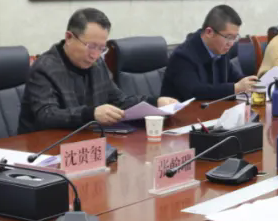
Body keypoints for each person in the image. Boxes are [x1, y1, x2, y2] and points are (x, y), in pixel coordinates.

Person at [18, 8, 177, 133]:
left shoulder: (97, 64)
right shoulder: (44, 68)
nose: (94, 55)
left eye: (101, 48)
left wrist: (154, 102)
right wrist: (91, 114)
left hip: (84, 143)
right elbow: (47, 116)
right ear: (69, 37)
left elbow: (118, 101)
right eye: (91, 46)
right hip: (43, 148)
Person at [159, 4, 258, 101]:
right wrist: (234, 89)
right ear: (209, 32)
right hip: (183, 111)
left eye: (235, 37)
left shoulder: (220, 50)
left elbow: (235, 78)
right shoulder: (182, 56)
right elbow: (194, 92)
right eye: (228, 37)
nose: (231, 43)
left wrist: (250, 84)